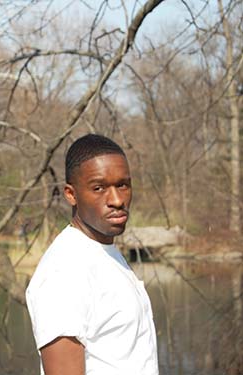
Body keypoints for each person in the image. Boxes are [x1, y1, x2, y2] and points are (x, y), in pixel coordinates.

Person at [26, 134, 158, 375]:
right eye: (99, 188)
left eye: (122, 185)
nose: (117, 200)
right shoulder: (64, 272)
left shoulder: (103, 250)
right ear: (71, 194)